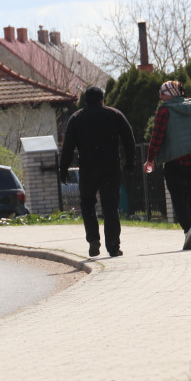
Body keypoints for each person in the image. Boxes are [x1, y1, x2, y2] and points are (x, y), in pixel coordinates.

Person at [59, 86, 135, 258]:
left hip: (88, 169)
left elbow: (68, 146)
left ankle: (93, 239)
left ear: (85, 101)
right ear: (102, 99)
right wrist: (130, 162)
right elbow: (129, 138)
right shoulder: (114, 115)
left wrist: (63, 169)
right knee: (110, 207)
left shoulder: (77, 118)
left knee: (87, 205)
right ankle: (113, 247)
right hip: (110, 168)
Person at [144, 80, 191, 250]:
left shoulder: (164, 110)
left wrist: (150, 159)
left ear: (171, 94)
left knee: (177, 196)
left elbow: (157, 136)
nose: (160, 96)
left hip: (175, 161)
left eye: (163, 93)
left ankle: (188, 229)